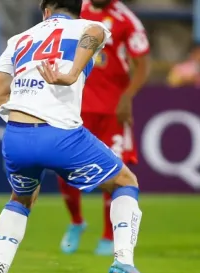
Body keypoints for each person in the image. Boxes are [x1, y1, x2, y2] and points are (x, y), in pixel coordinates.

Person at [0, 0, 142, 273]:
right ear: (78, 8)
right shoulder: (87, 25)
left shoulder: (19, 39)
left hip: (16, 137)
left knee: (20, 200)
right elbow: (94, 33)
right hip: (59, 135)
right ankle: (124, 264)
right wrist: (71, 74)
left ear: (45, 10)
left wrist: (27, 103)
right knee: (125, 182)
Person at [57, 0, 150, 256]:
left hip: (112, 111)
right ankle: (76, 222)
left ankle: (109, 235)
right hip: (76, 105)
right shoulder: (77, 10)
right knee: (64, 170)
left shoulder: (126, 20)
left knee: (114, 171)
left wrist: (127, 96)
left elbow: (143, 64)